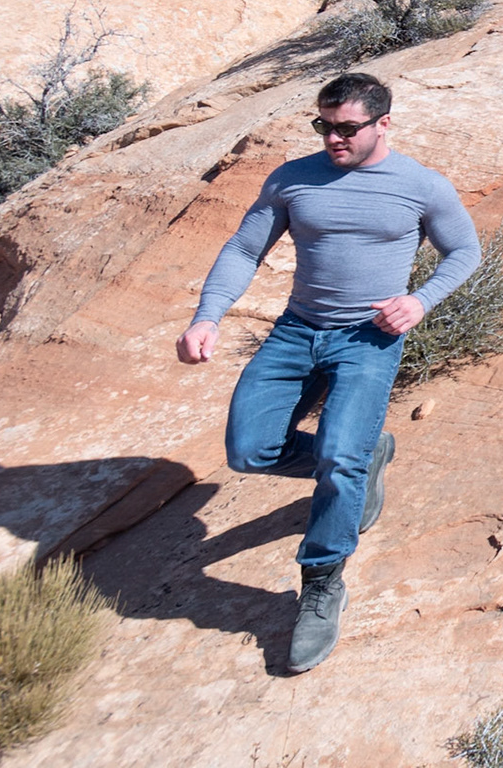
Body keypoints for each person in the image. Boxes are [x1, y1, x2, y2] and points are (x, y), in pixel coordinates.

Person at [175, 72, 480, 673]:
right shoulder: (293, 178)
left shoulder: (420, 186)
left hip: (368, 337)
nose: (333, 139)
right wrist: (207, 317)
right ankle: (368, 458)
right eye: (324, 126)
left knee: (339, 460)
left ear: (383, 123)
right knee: (249, 450)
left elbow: (464, 251)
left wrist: (419, 301)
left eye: (346, 128)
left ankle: (321, 582)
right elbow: (243, 250)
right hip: (297, 330)